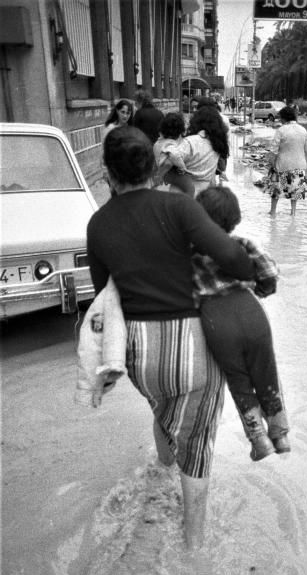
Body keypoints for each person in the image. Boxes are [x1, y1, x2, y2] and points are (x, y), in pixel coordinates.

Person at [87, 127, 255, 549]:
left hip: (139, 356)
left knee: (165, 407)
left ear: (108, 174)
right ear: (154, 163)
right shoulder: (178, 207)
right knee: (196, 441)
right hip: (193, 346)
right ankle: (194, 544)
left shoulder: (98, 224)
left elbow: (104, 298)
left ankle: (160, 476)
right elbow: (234, 258)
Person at [193, 186, 290, 461]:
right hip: (251, 313)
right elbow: (270, 273)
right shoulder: (242, 243)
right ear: (233, 219)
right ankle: (280, 435)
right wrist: (259, 291)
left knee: (239, 381)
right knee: (266, 371)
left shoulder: (188, 253)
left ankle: (259, 440)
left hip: (216, 321)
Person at [171, 106, 229, 197]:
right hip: (205, 192)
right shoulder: (218, 144)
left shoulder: (190, 142)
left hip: (182, 192)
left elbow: (172, 158)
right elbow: (221, 166)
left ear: (196, 122)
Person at [264, 105, 307, 217]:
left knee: (276, 190)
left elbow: (274, 150)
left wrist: (271, 164)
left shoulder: (281, 130)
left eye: (280, 117)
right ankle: (293, 213)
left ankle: (273, 212)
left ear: (284, 118)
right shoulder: (303, 130)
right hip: (299, 165)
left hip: (282, 165)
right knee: (295, 192)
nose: (280, 119)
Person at [152, 112, 194, 196]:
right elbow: (171, 160)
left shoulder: (158, 142)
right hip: (170, 173)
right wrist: (183, 168)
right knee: (190, 188)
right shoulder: (170, 145)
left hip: (162, 172)